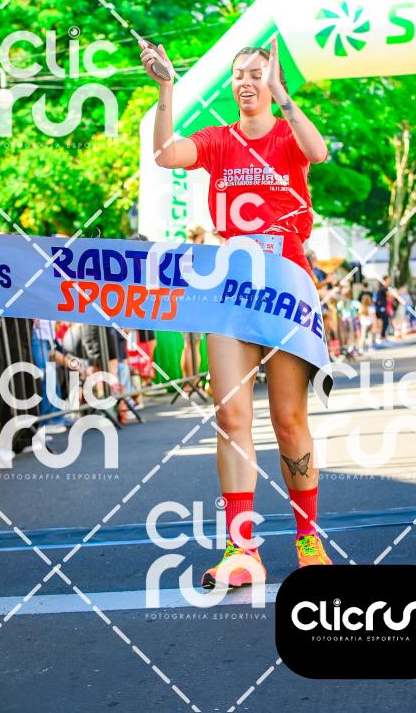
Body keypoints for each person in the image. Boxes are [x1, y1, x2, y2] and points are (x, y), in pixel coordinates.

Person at [141, 36, 333, 585]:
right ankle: (240, 547)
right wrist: (166, 89)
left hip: (286, 285)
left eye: (256, 74)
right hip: (230, 285)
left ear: (273, 83)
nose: (245, 83)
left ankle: (308, 538)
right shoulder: (218, 139)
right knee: (230, 417)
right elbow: (165, 154)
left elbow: (318, 152)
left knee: (289, 420)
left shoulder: (289, 133)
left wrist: (284, 97)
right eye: (239, 75)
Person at [181, 225, 205, 383]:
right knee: (193, 345)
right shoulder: (198, 254)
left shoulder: (182, 252)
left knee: (187, 345)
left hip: (183, 302)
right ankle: (193, 382)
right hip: (194, 303)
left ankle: (188, 381)